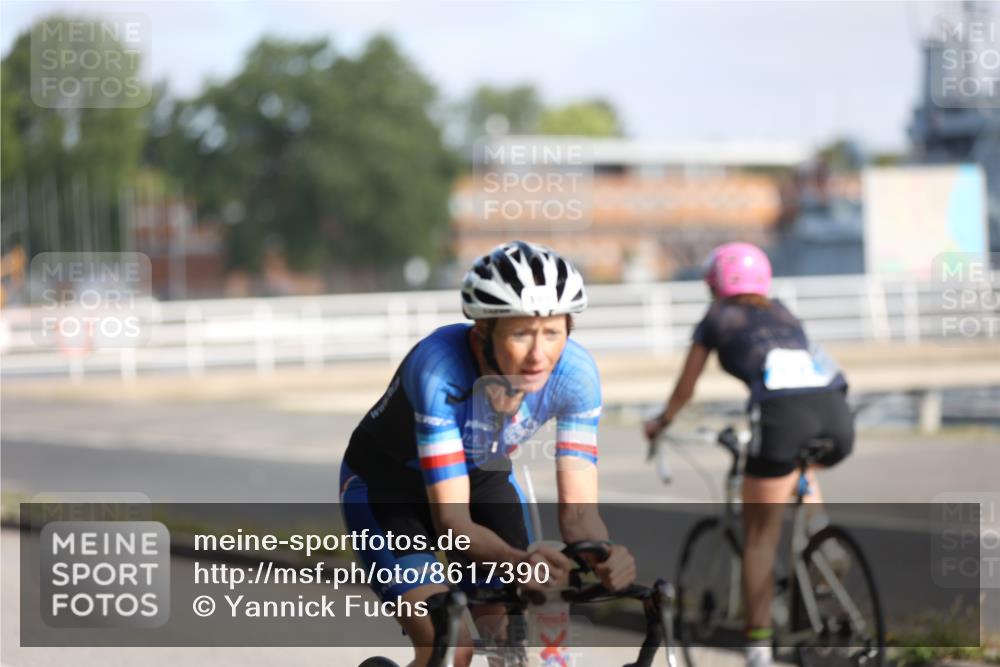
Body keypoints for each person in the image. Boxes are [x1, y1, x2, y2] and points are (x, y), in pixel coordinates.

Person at [341, 240, 636, 667]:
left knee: (508, 645)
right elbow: (453, 525)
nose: (539, 354)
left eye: (553, 332)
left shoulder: (576, 376)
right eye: (521, 333)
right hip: (389, 492)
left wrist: (604, 554)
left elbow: (577, 516)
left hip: (482, 478)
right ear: (483, 334)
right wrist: (521, 563)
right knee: (452, 646)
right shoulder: (439, 368)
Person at [643, 242, 853, 667]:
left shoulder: (718, 316)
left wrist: (661, 422)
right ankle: (820, 532)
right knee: (799, 466)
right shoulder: (783, 313)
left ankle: (758, 652)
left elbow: (686, 387)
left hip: (782, 415)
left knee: (760, 538)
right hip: (836, 413)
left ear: (715, 286)